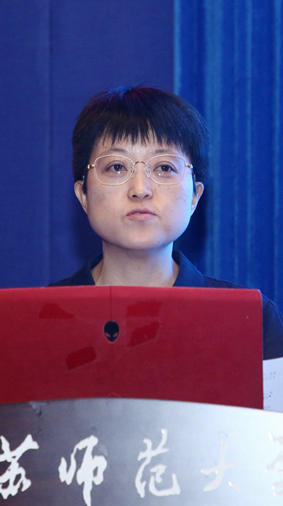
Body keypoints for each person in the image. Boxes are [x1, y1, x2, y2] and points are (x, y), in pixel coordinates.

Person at [51, 86, 283, 363]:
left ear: (195, 196)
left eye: (164, 167)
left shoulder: (251, 320)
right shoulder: (39, 317)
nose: (140, 189)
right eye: (116, 167)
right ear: (83, 195)